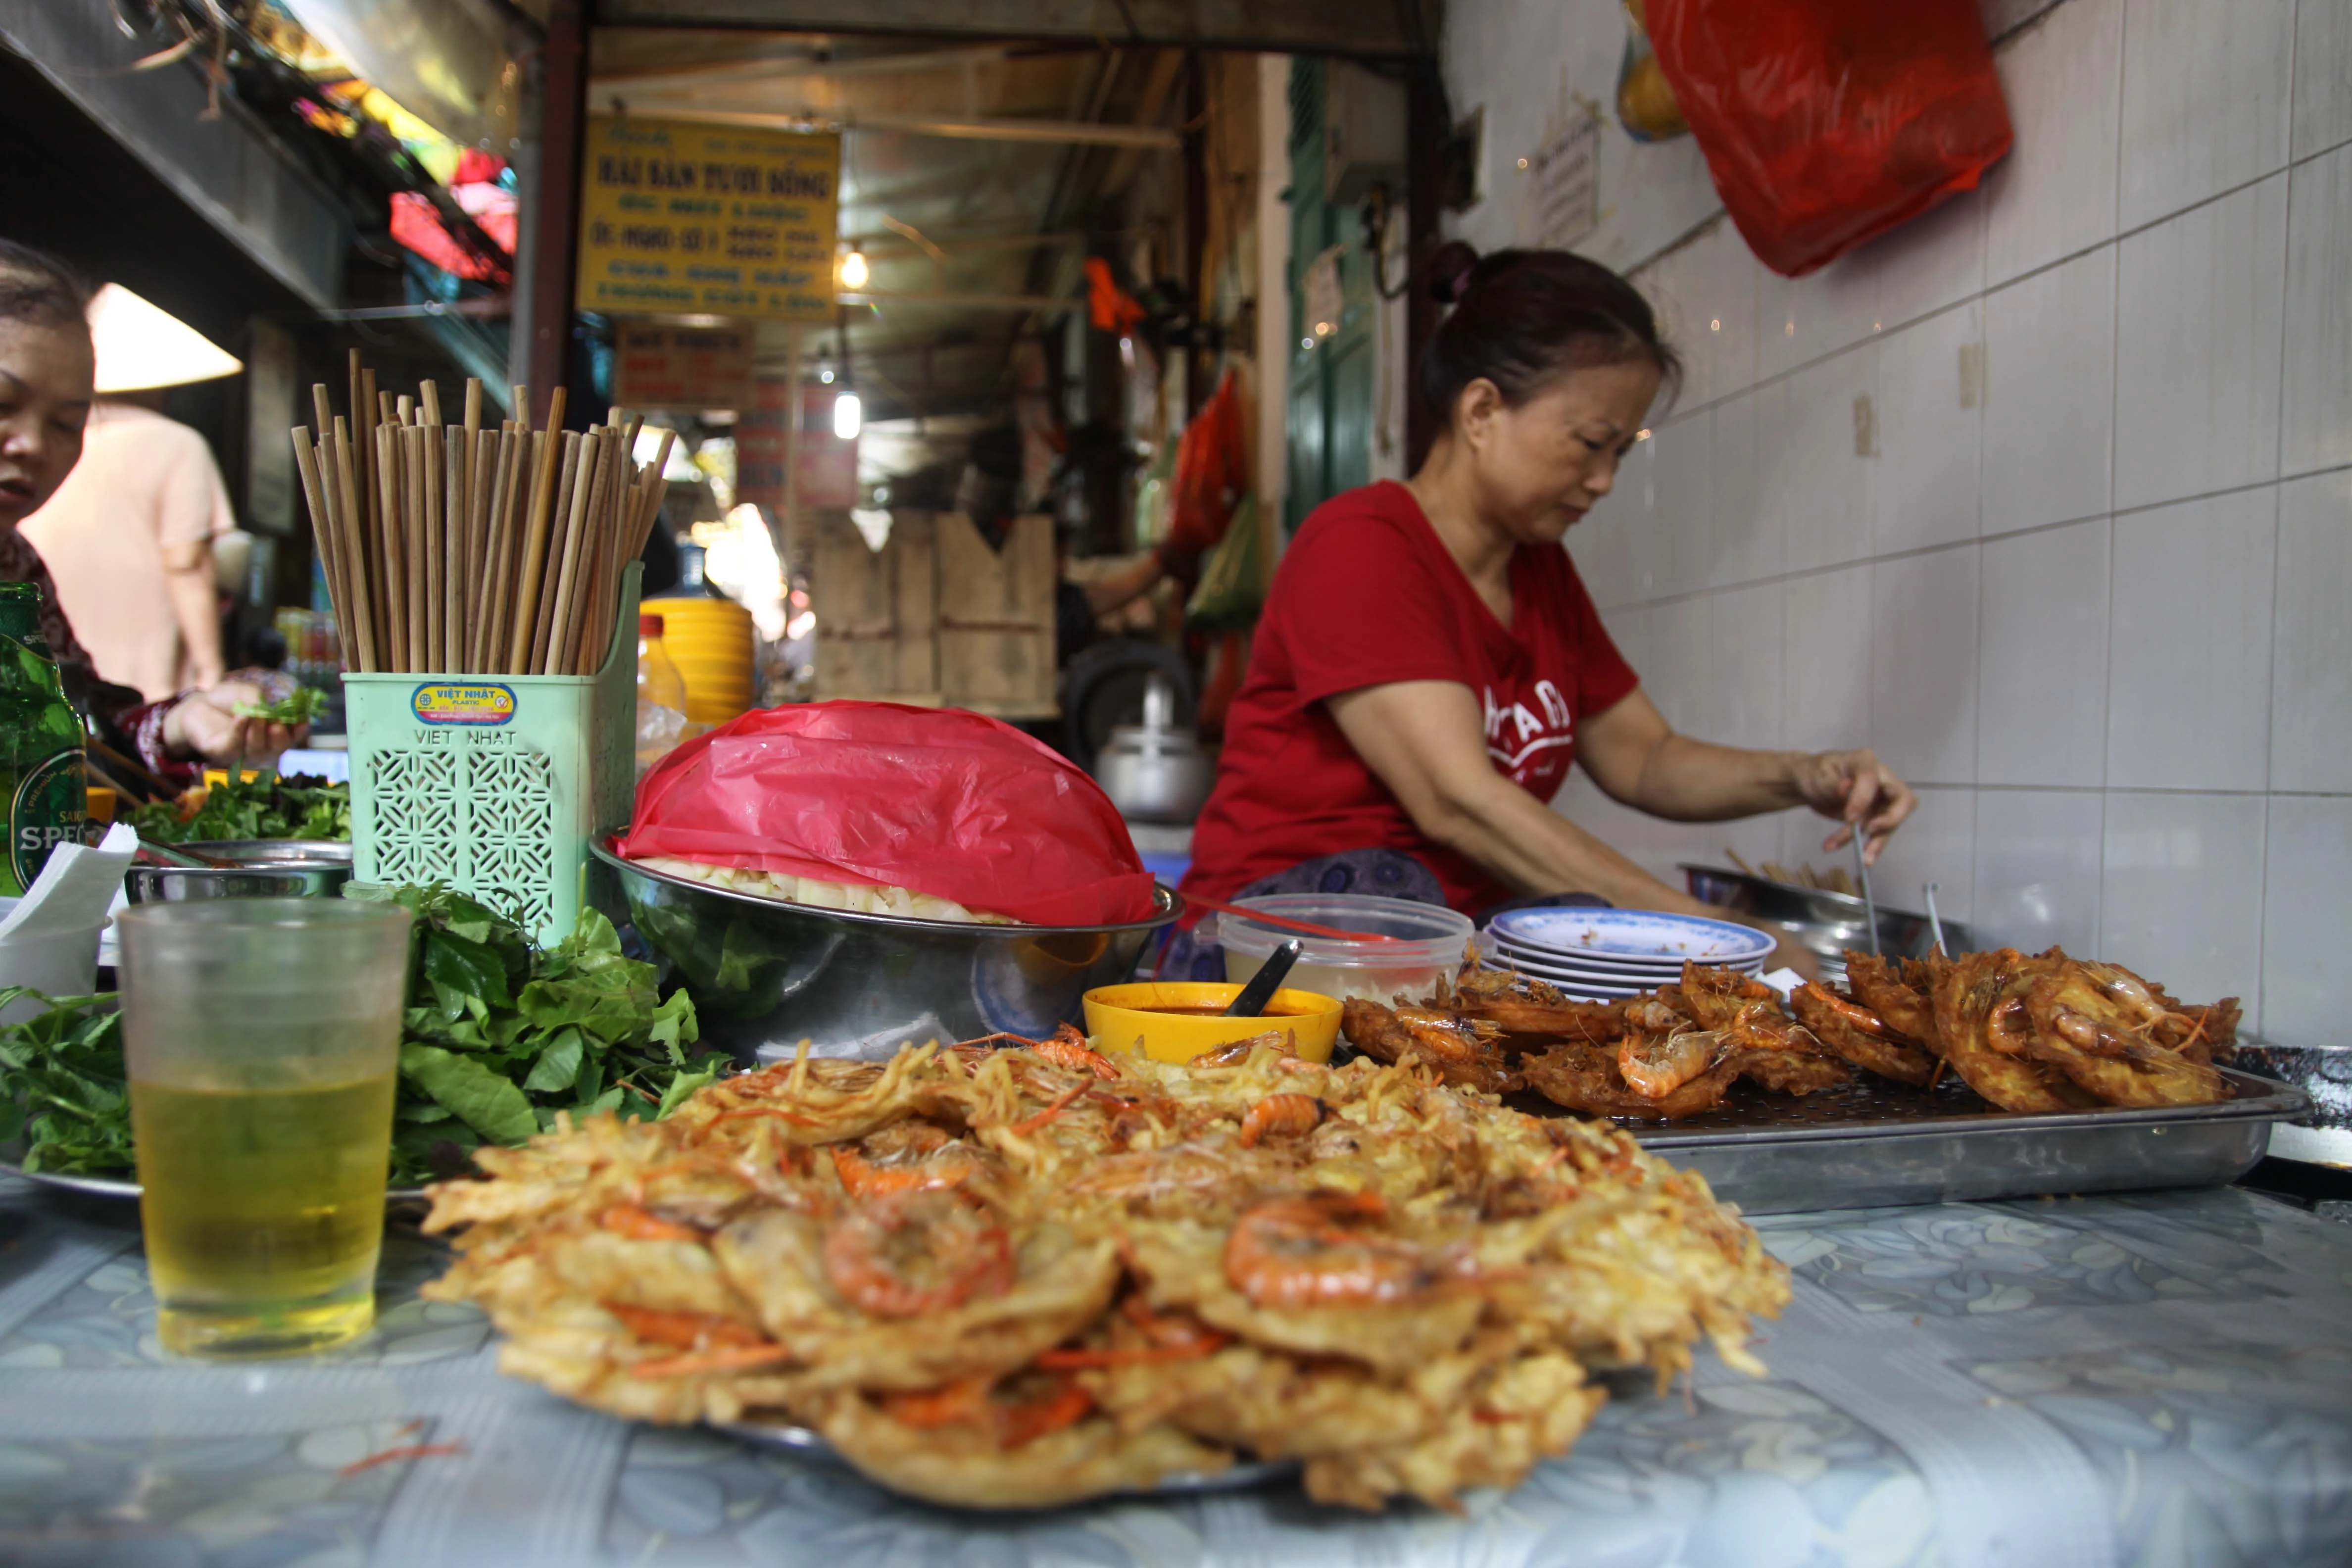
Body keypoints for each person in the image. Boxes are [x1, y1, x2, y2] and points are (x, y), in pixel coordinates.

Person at [1177, 245, 1916, 976]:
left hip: (1435, 951)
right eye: (1591, 443)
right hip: (1271, 953)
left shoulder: (1540, 571)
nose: (1603, 481)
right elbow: (1457, 801)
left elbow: (1646, 759)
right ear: (1482, 410)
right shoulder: (1361, 548)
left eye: (1622, 452)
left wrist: (1806, 777)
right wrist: (1701, 931)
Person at [0, 242, 304, 780]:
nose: (32, 445)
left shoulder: (18, 565)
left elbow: (93, 732)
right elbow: (188, 561)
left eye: (67, 423)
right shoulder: (180, 448)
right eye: (4, 403)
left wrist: (184, 723)